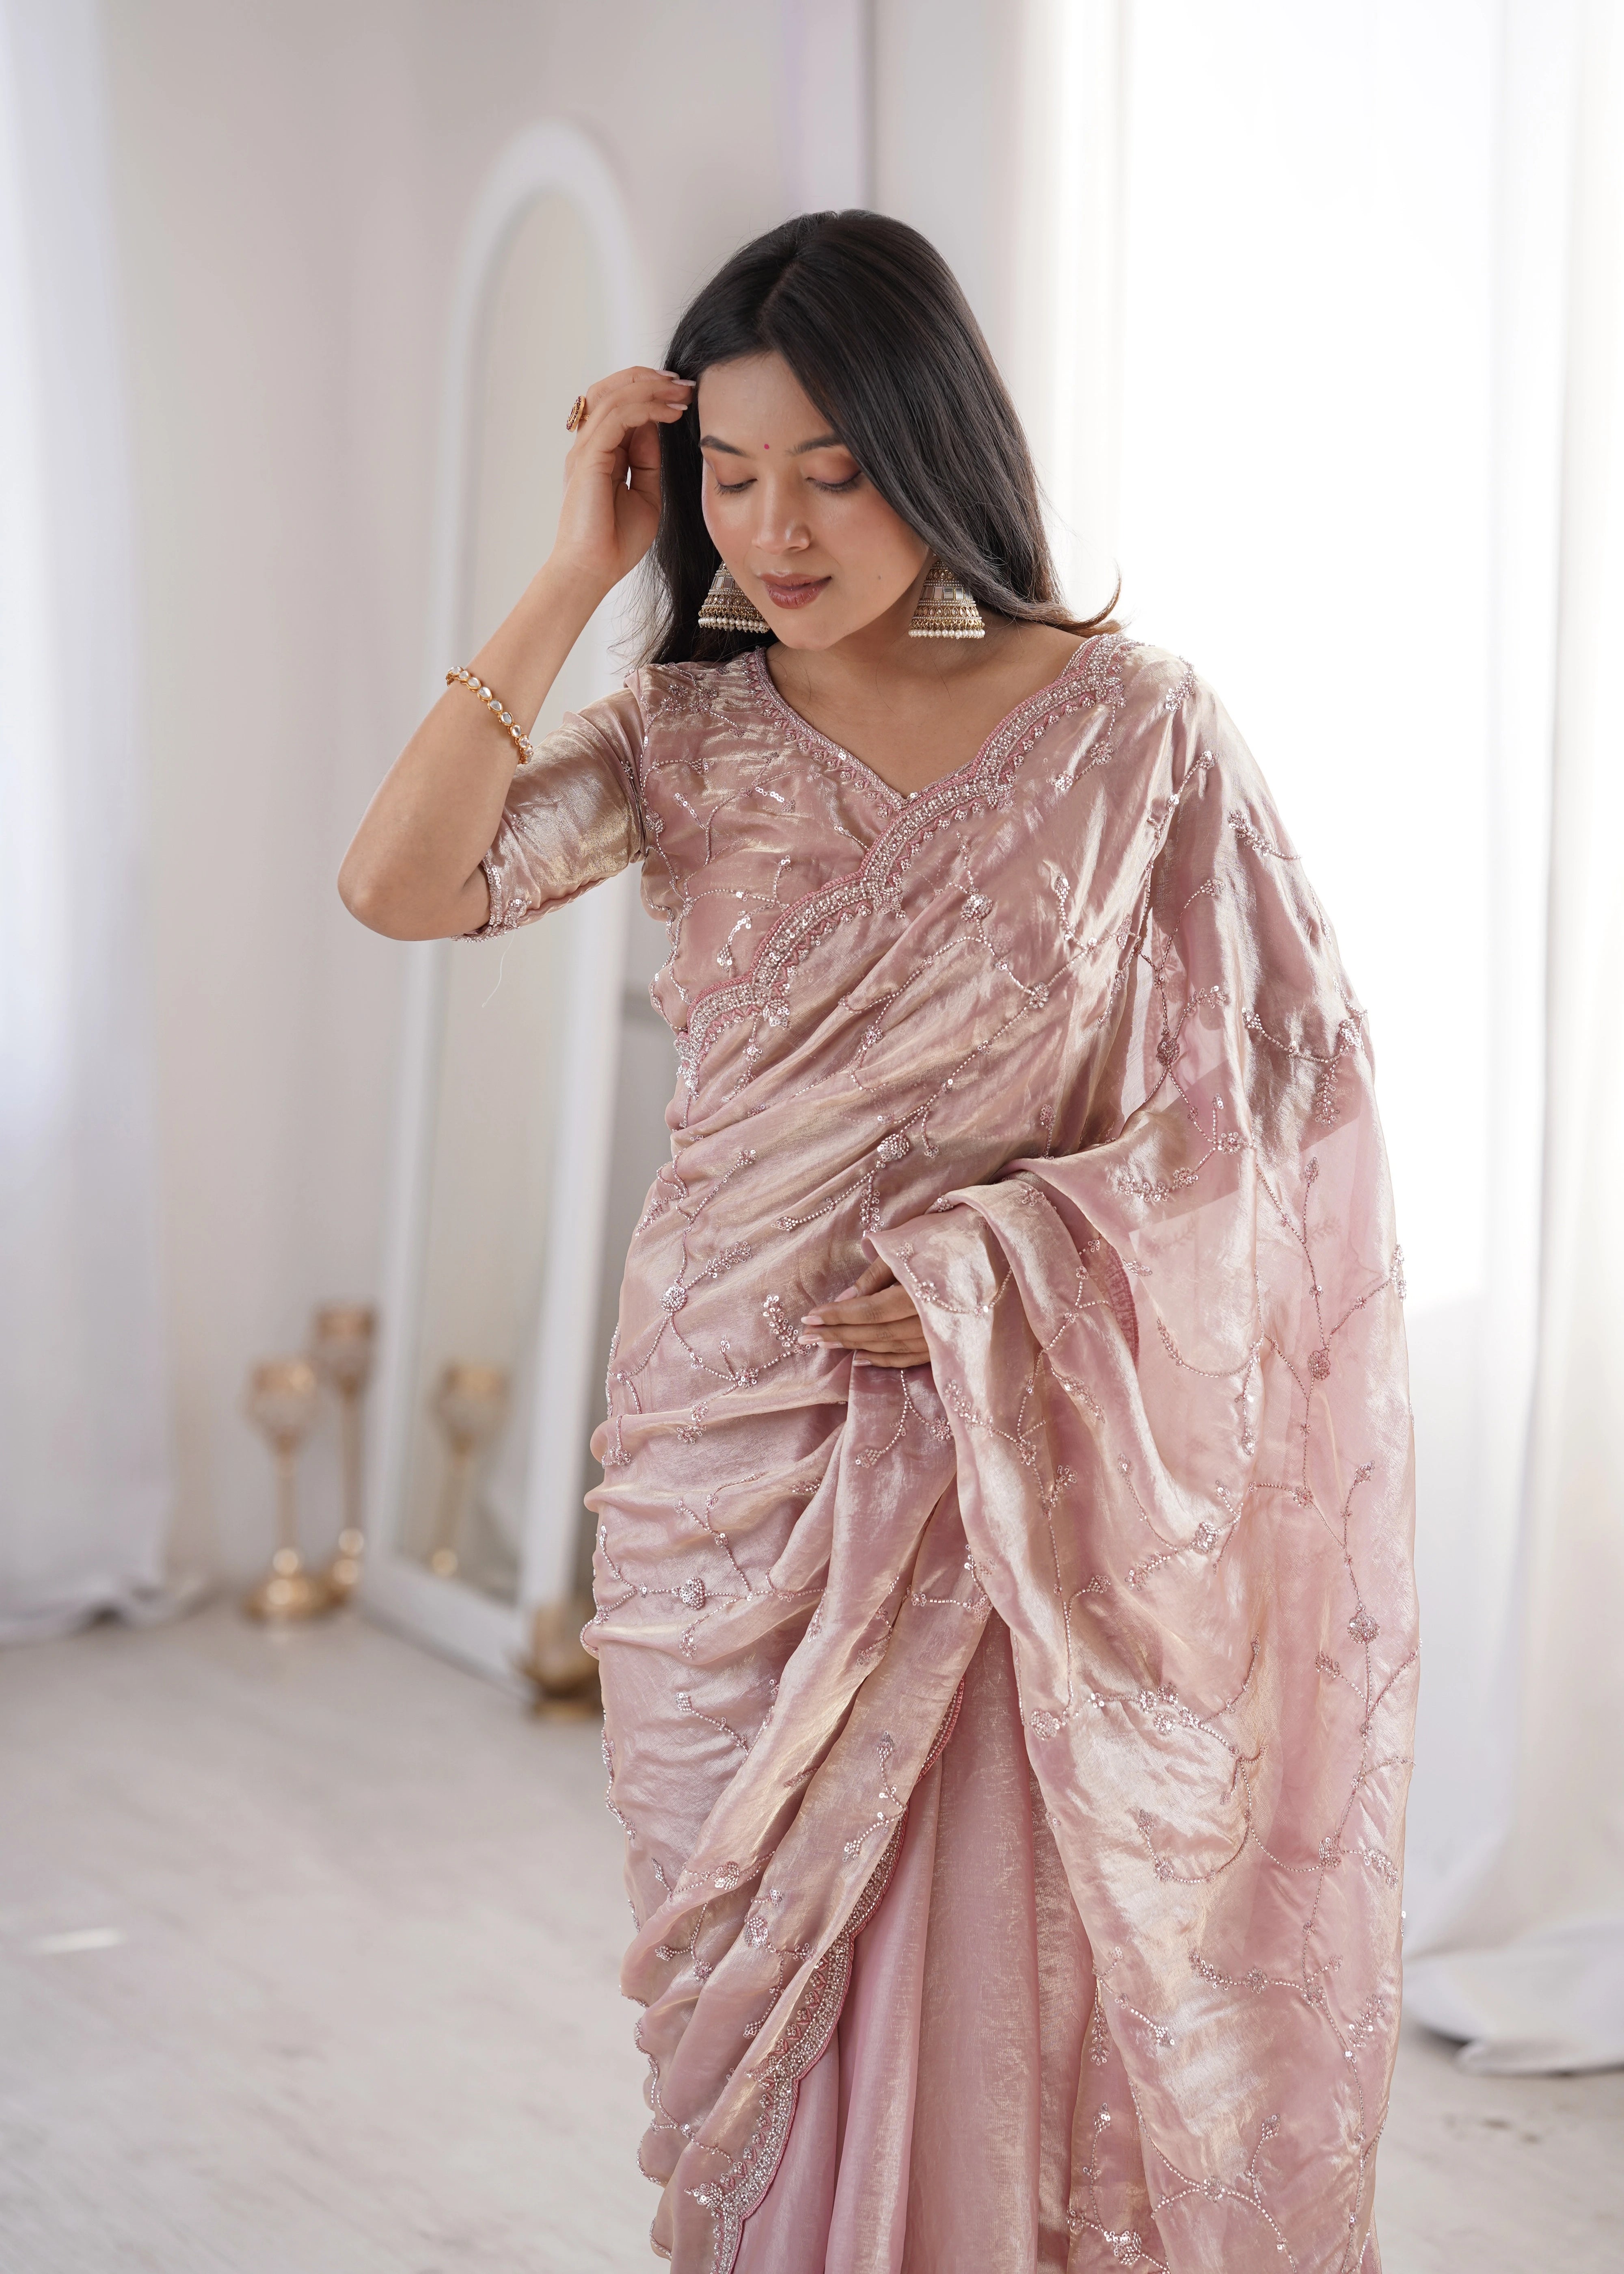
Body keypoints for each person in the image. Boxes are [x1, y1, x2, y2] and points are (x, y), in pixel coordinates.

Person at [340, 211, 1417, 2274]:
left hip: (1010, 1471)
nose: (778, 526)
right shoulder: (687, 735)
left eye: (831, 467)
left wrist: (998, 1268)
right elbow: (402, 887)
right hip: (719, 1463)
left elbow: (1288, 1107)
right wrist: (577, 568)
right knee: (761, 2022)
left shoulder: (1133, 732)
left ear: (934, 439)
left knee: (1008, 1998)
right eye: (729, 477)